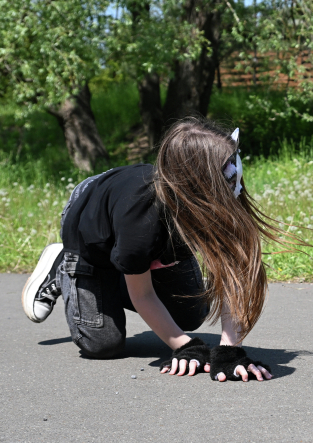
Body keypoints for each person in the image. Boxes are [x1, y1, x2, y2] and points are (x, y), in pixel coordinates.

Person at [21, 117, 292, 382]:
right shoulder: (141, 225)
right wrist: (183, 346)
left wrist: (230, 351)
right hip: (92, 235)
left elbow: (235, 275)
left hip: (150, 244)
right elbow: (143, 294)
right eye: (229, 170)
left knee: (191, 314)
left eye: (235, 164)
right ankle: (62, 264)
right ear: (199, 184)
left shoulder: (221, 195)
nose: (237, 175)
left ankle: (126, 269)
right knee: (103, 344)